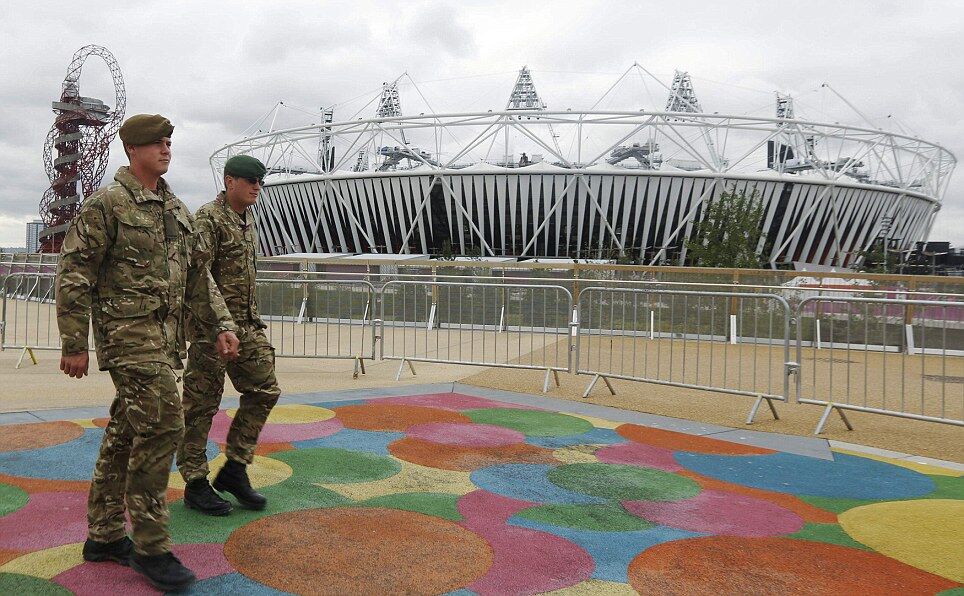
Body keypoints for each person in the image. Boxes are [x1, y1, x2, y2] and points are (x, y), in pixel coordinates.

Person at [57, 114, 240, 592]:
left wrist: (220, 323)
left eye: (168, 143)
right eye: (156, 143)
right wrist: (74, 342)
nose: (166, 149)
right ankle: (150, 545)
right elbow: (75, 272)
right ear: (132, 150)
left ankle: (103, 535)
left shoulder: (174, 208)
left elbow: (198, 275)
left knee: (126, 429)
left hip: (164, 340)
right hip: (127, 336)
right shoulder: (108, 205)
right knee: (164, 423)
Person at [177, 155, 281, 515]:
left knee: (264, 389)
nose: (256, 186)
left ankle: (235, 469)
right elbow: (198, 275)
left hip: (246, 326)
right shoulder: (208, 218)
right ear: (229, 180)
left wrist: (245, 322)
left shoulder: (246, 219)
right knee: (201, 406)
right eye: (250, 180)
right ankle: (194, 482)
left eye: (260, 181)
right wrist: (220, 324)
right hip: (211, 330)